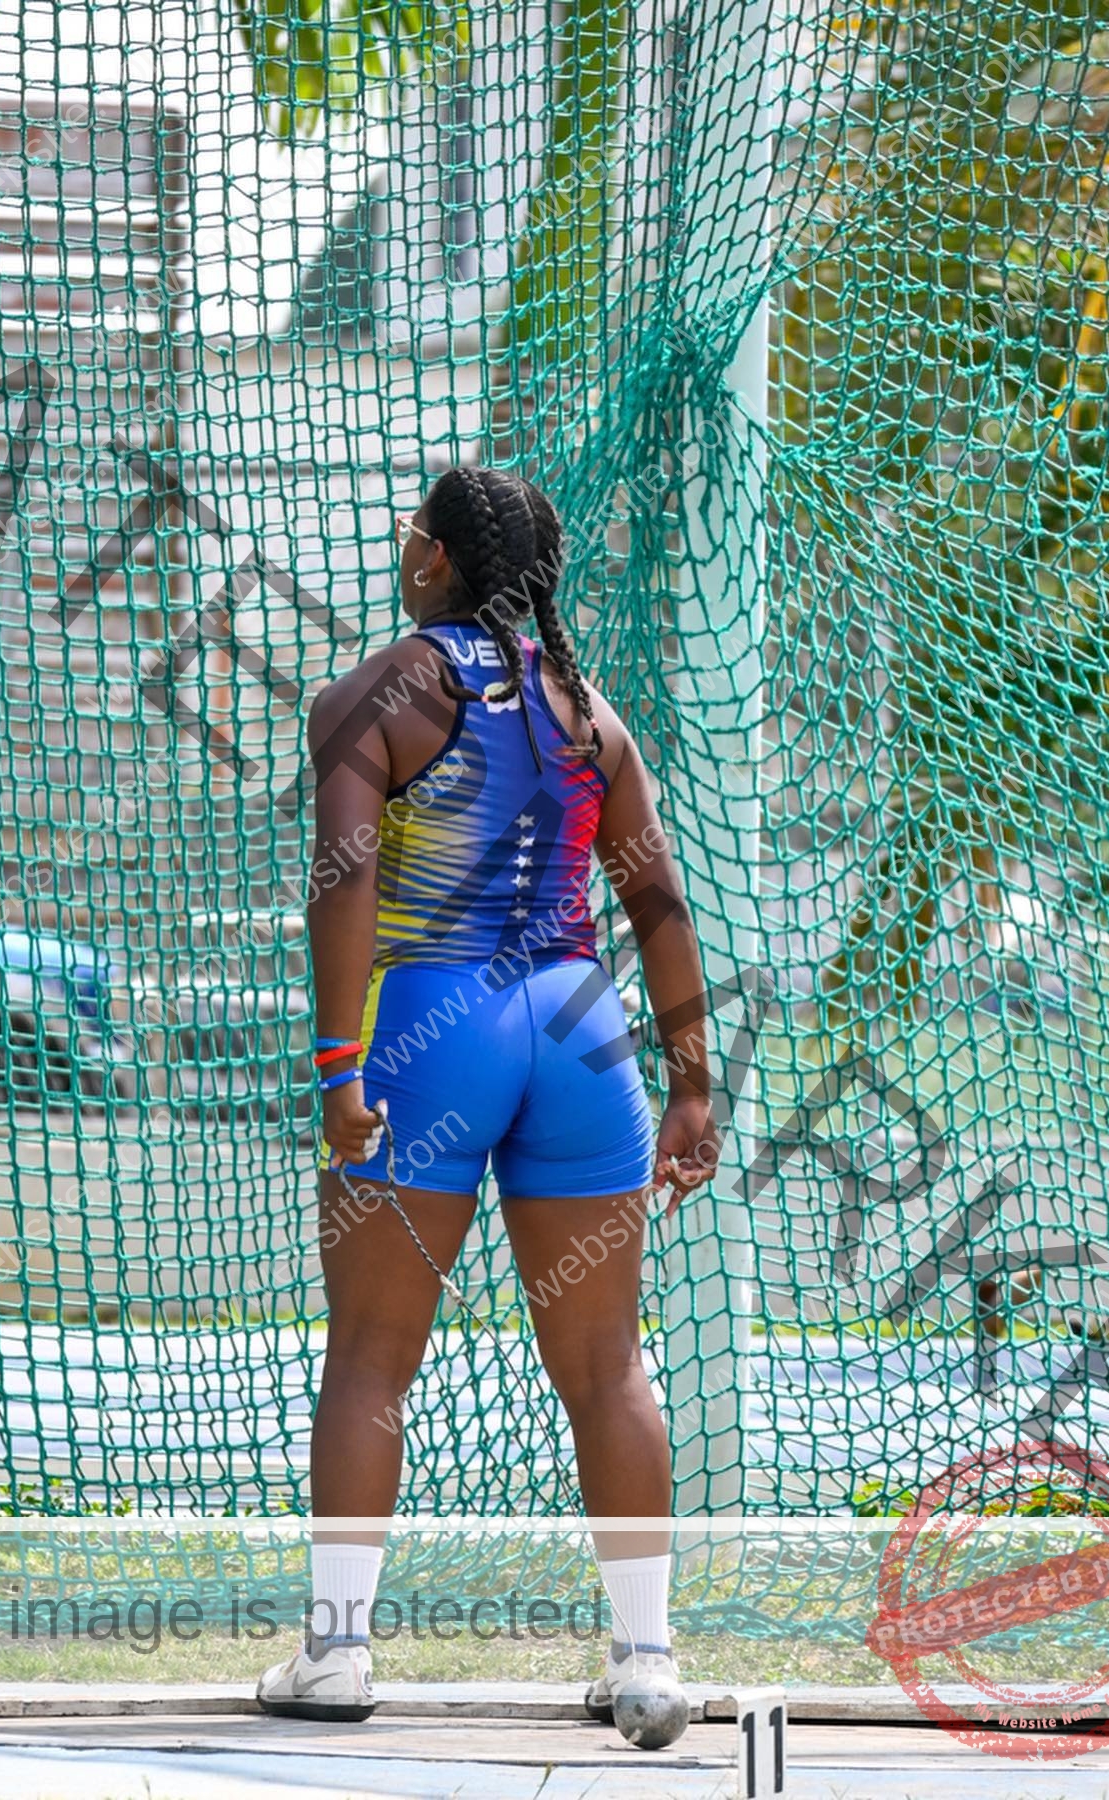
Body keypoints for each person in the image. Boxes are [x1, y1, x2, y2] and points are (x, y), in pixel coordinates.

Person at [257, 466, 716, 1733]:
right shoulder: (588, 712)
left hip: (435, 1027)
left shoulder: (381, 693)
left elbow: (344, 882)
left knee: (372, 1357)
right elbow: (658, 903)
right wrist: (691, 1086)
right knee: (612, 1366)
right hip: (578, 1028)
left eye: (416, 534)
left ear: (434, 558)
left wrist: (338, 1069)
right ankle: (645, 1663)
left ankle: (339, 1656)